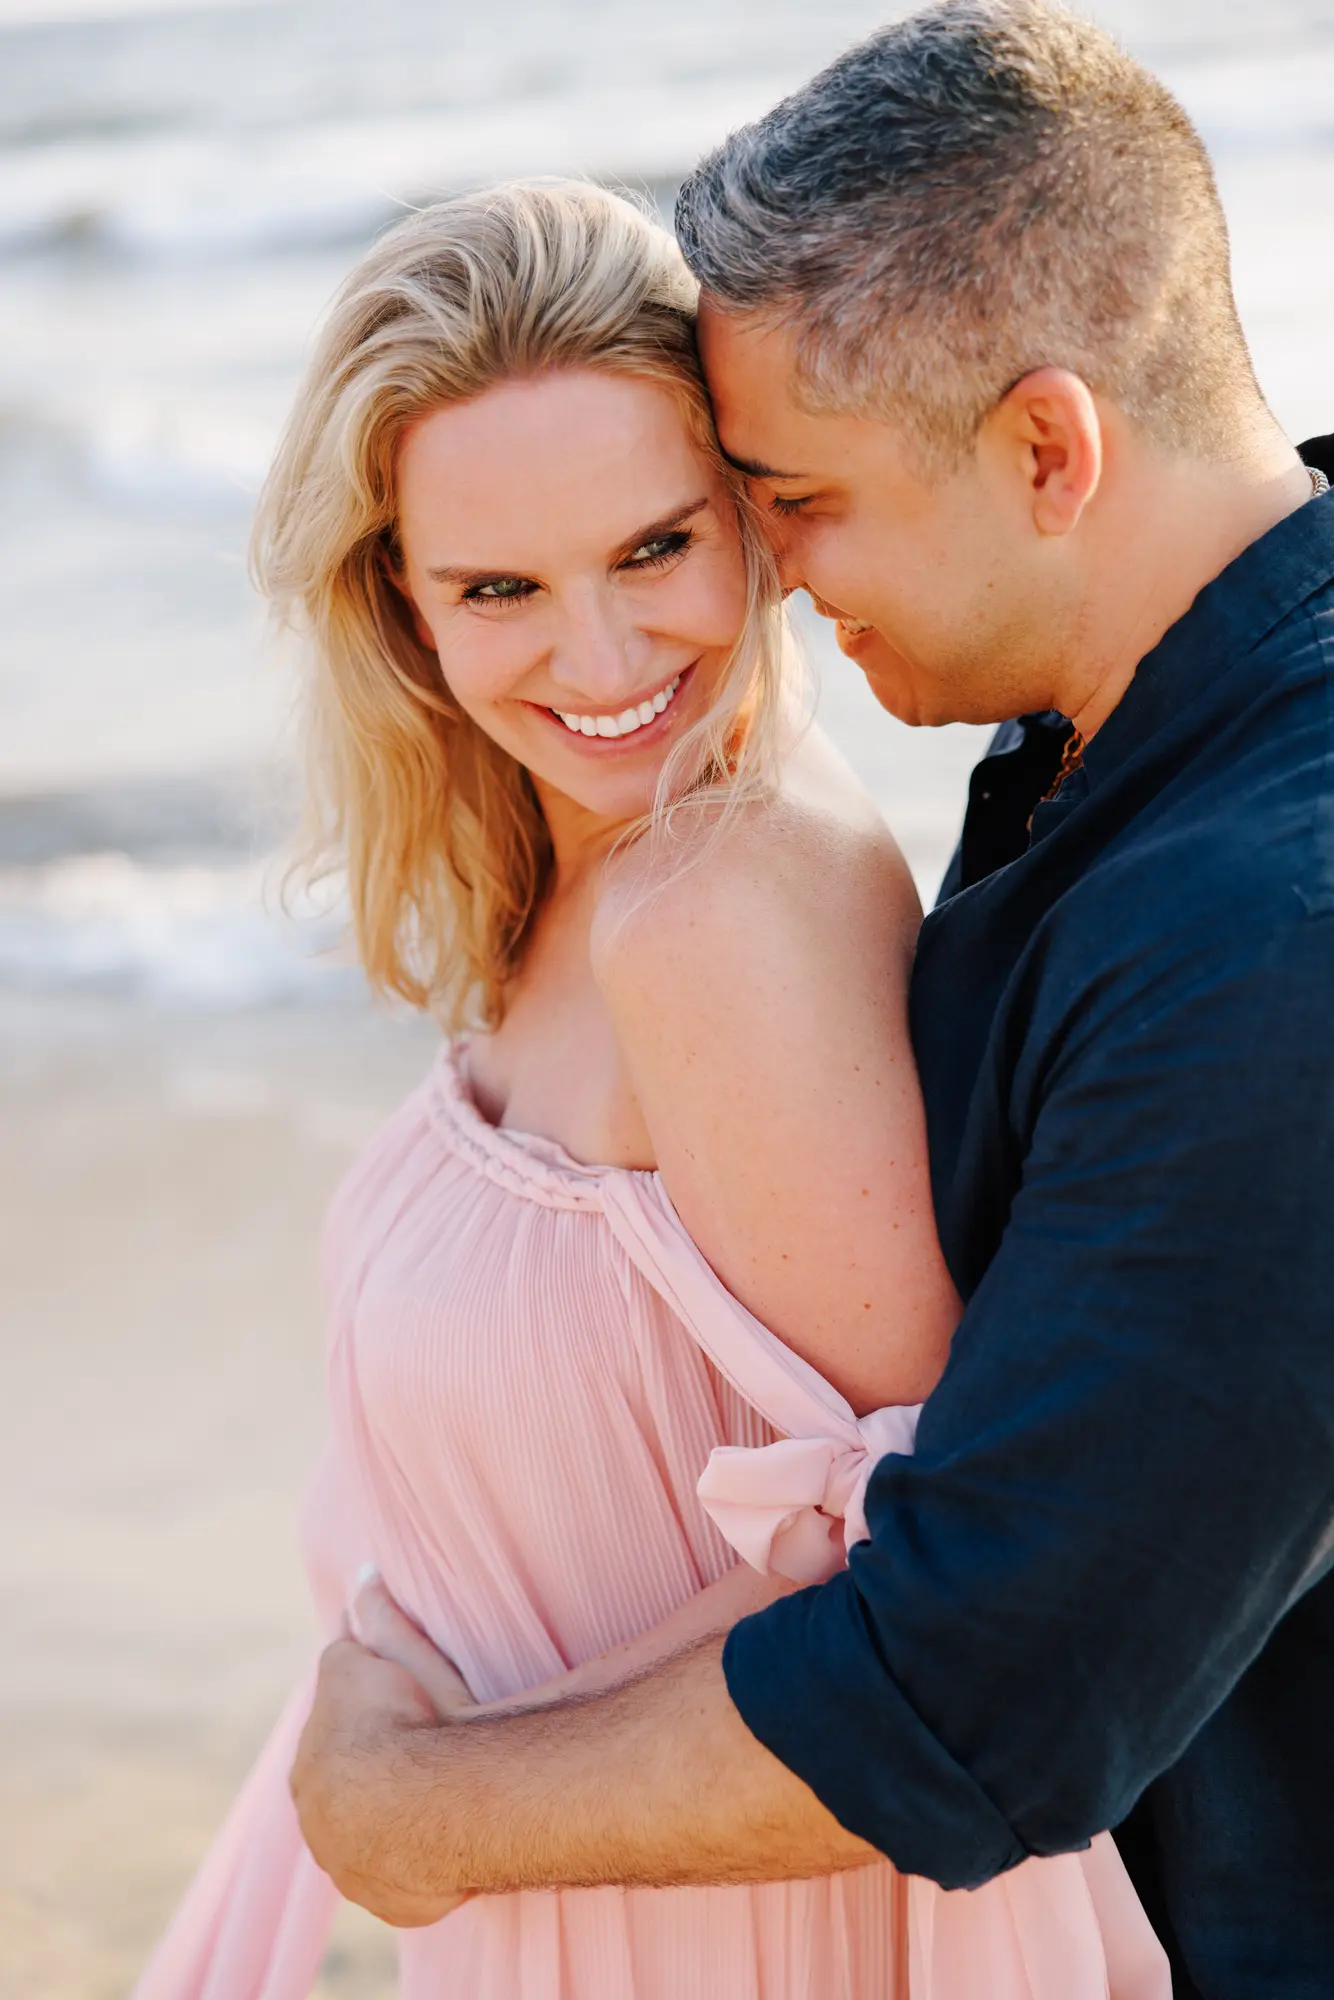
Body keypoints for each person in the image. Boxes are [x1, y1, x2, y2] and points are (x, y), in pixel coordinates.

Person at [289, 7, 1334, 2000]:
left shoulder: (1267, 941)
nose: (770, 575)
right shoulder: (1116, 758)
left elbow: (981, 1671)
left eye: (785, 501)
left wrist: (408, 1813)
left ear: (1047, 446)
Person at [132, 179, 1166, 1999]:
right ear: (401, 605)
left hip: (731, 1922)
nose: (603, 665)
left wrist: (419, 1792)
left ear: (754, 523)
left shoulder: (721, 902)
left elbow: (918, 1555)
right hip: (576, 1875)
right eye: (500, 590)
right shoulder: (587, 877)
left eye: (653, 550)